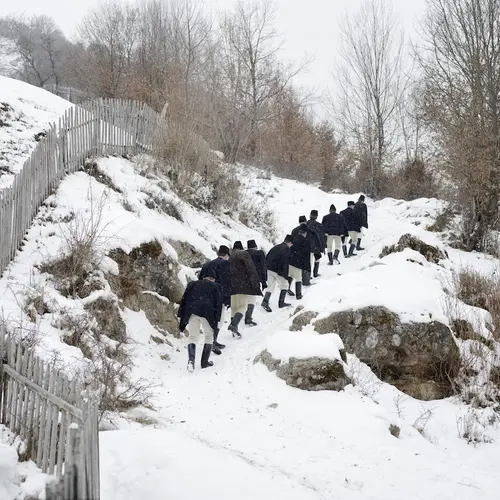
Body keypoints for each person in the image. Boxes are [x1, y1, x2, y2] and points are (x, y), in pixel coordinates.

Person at [178, 269, 222, 372]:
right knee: (209, 336)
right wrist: (216, 320)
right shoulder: (216, 287)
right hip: (208, 313)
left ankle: (191, 360)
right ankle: (204, 363)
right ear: (213, 279)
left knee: (193, 336)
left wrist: (182, 315)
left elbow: (184, 299)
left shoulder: (192, 284)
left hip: (192, 311)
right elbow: (218, 305)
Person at [199, 245, 231, 355]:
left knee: (211, 319)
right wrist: (227, 299)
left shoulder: (208, 264)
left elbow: (200, 280)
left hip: (206, 296)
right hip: (219, 296)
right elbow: (227, 282)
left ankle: (212, 341)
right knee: (219, 320)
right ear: (226, 255)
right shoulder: (225, 264)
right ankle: (213, 342)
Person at [228, 241, 262, 338]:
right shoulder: (243, 254)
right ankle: (233, 325)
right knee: (243, 306)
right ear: (242, 247)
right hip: (242, 285)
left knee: (234, 307)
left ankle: (234, 330)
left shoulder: (229, 257)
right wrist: (255, 284)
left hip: (231, 285)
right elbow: (251, 269)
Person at [261, 235, 293, 312]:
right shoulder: (286, 249)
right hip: (278, 270)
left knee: (270, 286)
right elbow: (284, 262)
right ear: (289, 242)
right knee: (285, 285)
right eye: (291, 244)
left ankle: (265, 301)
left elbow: (268, 257)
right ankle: (281, 303)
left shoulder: (276, 247)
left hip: (269, 268)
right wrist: (285, 275)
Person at [245, 240, 267, 326]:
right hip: (254, 278)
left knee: (243, 298)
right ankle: (248, 318)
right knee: (252, 299)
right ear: (255, 246)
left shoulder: (243, 254)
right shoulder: (259, 253)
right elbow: (263, 266)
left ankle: (237, 317)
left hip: (243, 279)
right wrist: (264, 280)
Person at [289, 224, 311, 299]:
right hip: (298, 263)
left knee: (290, 275)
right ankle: (298, 295)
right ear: (305, 233)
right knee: (298, 278)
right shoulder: (306, 242)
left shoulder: (292, 239)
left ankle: (287, 289)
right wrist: (307, 267)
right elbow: (306, 255)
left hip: (290, 261)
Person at [306, 210, 326, 278]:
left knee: (309, 261)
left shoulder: (306, 224)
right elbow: (321, 237)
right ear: (317, 216)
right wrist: (323, 247)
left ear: (310, 215)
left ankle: (308, 275)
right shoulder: (319, 225)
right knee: (317, 259)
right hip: (316, 246)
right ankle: (315, 273)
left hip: (308, 245)